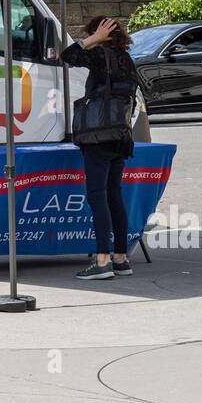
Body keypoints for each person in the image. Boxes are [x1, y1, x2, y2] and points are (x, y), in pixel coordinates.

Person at [60, 15, 139, 281]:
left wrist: (93, 40)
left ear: (102, 34)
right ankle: (121, 257)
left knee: (97, 197)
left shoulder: (99, 55)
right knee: (114, 195)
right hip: (120, 136)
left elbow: (68, 56)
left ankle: (102, 260)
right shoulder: (126, 59)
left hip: (98, 136)